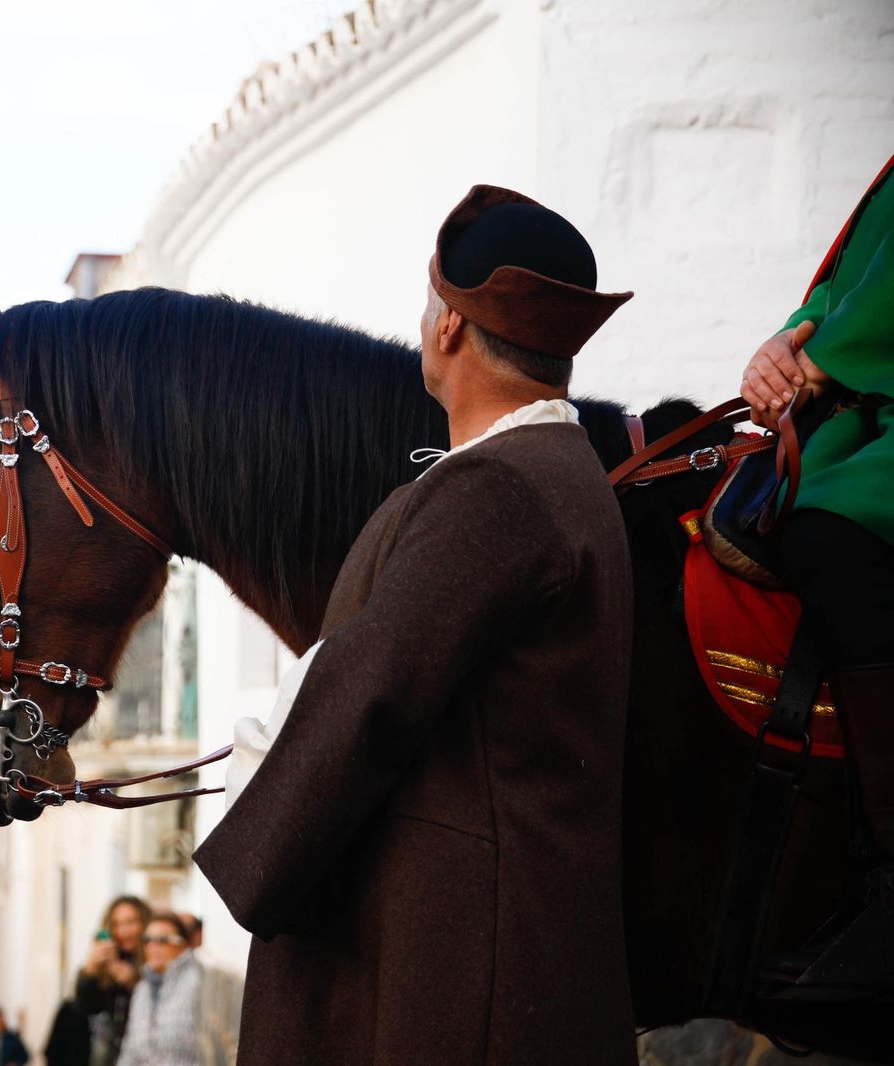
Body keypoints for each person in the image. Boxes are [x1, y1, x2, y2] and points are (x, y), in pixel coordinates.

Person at [195, 184, 638, 1064]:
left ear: (449, 328)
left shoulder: (500, 488)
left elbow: (372, 690)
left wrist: (255, 857)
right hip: (492, 951)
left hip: (464, 975)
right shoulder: (551, 470)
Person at [737, 153, 894, 989]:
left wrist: (821, 361)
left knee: (832, 532)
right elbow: (848, 291)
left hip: (874, 405)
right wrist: (788, 341)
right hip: (863, 407)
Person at [114, 914, 203, 1066]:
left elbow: (210, 1049)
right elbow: (129, 1050)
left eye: (162, 940)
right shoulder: (142, 988)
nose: (152, 946)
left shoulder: (199, 984)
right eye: (147, 940)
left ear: (184, 944)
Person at [73, 896, 150, 1066]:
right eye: (116, 924)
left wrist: (134, 983)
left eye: (130, 922)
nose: (123, 931)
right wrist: (89, 970)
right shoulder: (107, 960)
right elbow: (82, 1008)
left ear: (145, 923)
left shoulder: (154, 957)